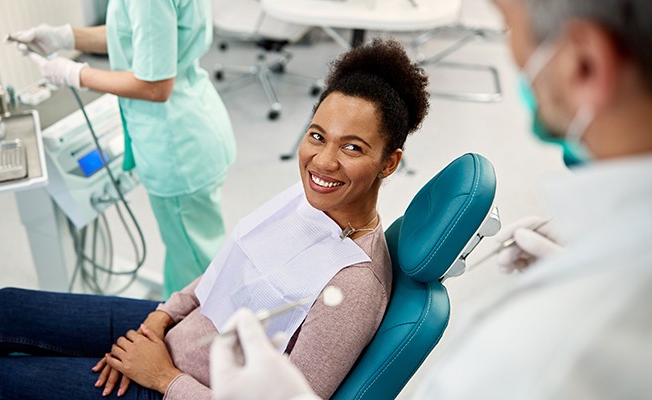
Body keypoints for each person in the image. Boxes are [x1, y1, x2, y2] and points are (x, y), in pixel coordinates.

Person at [0, 38, 430, 399]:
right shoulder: (308, 200)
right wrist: (160, 317)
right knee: (7, 309)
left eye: (352, 147)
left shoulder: (354, 287)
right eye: (317, 135)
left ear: (389, 162)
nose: (322, 161)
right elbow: (227, 269)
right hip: (171, 329)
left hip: (173, 384)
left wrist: (163, 376)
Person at [208, 0, 652, 399]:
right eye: (317, 136)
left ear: (585, 64)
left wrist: (172, 380)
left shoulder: (543, 350)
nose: (515, 59)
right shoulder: (616, 262)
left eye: (510, 30)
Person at [11, 0, 237, 298]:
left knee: (197, 274)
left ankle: (194, 338)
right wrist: (66, 37)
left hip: (176, 145)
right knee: (190, 247)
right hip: (194, 123)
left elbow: (155, 86)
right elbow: (140, 34)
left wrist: (75, 74)